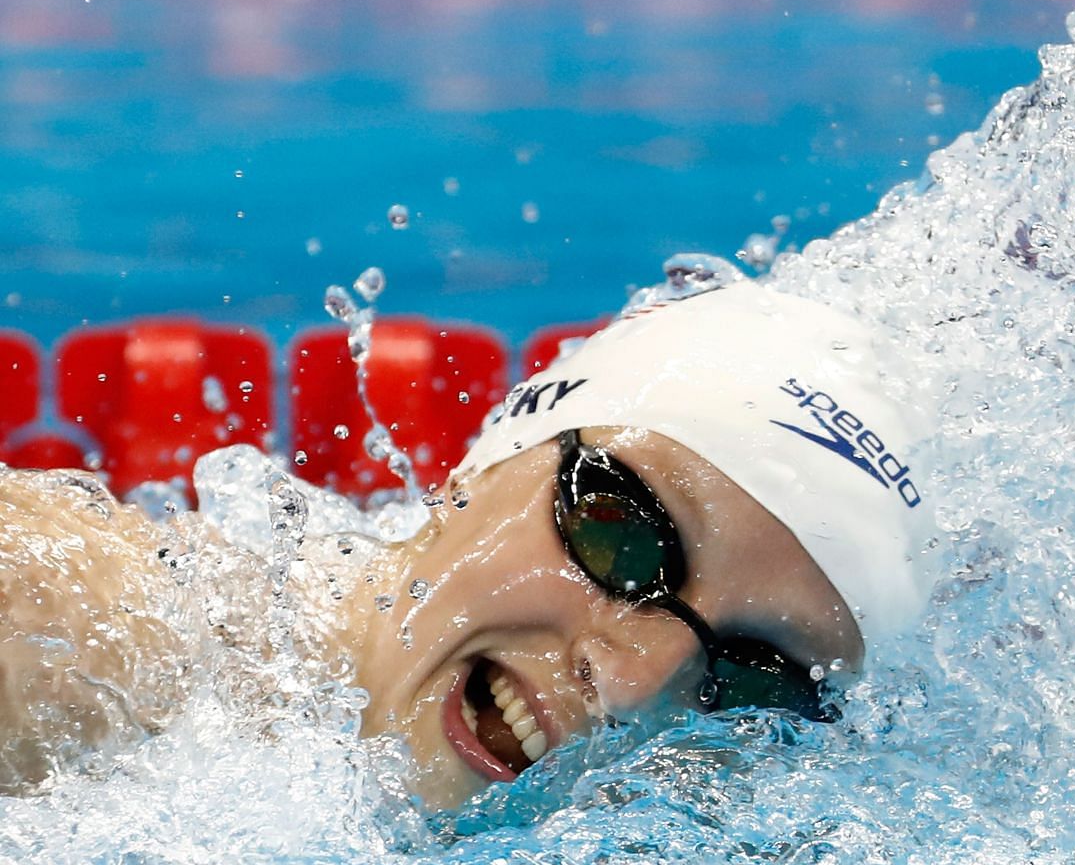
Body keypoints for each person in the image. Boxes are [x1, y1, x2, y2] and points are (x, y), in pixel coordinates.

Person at [0, 284, 940, 809]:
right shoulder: (92, 644)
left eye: (756, 673)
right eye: (625, 539)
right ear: (484, 467)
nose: (635, 679)